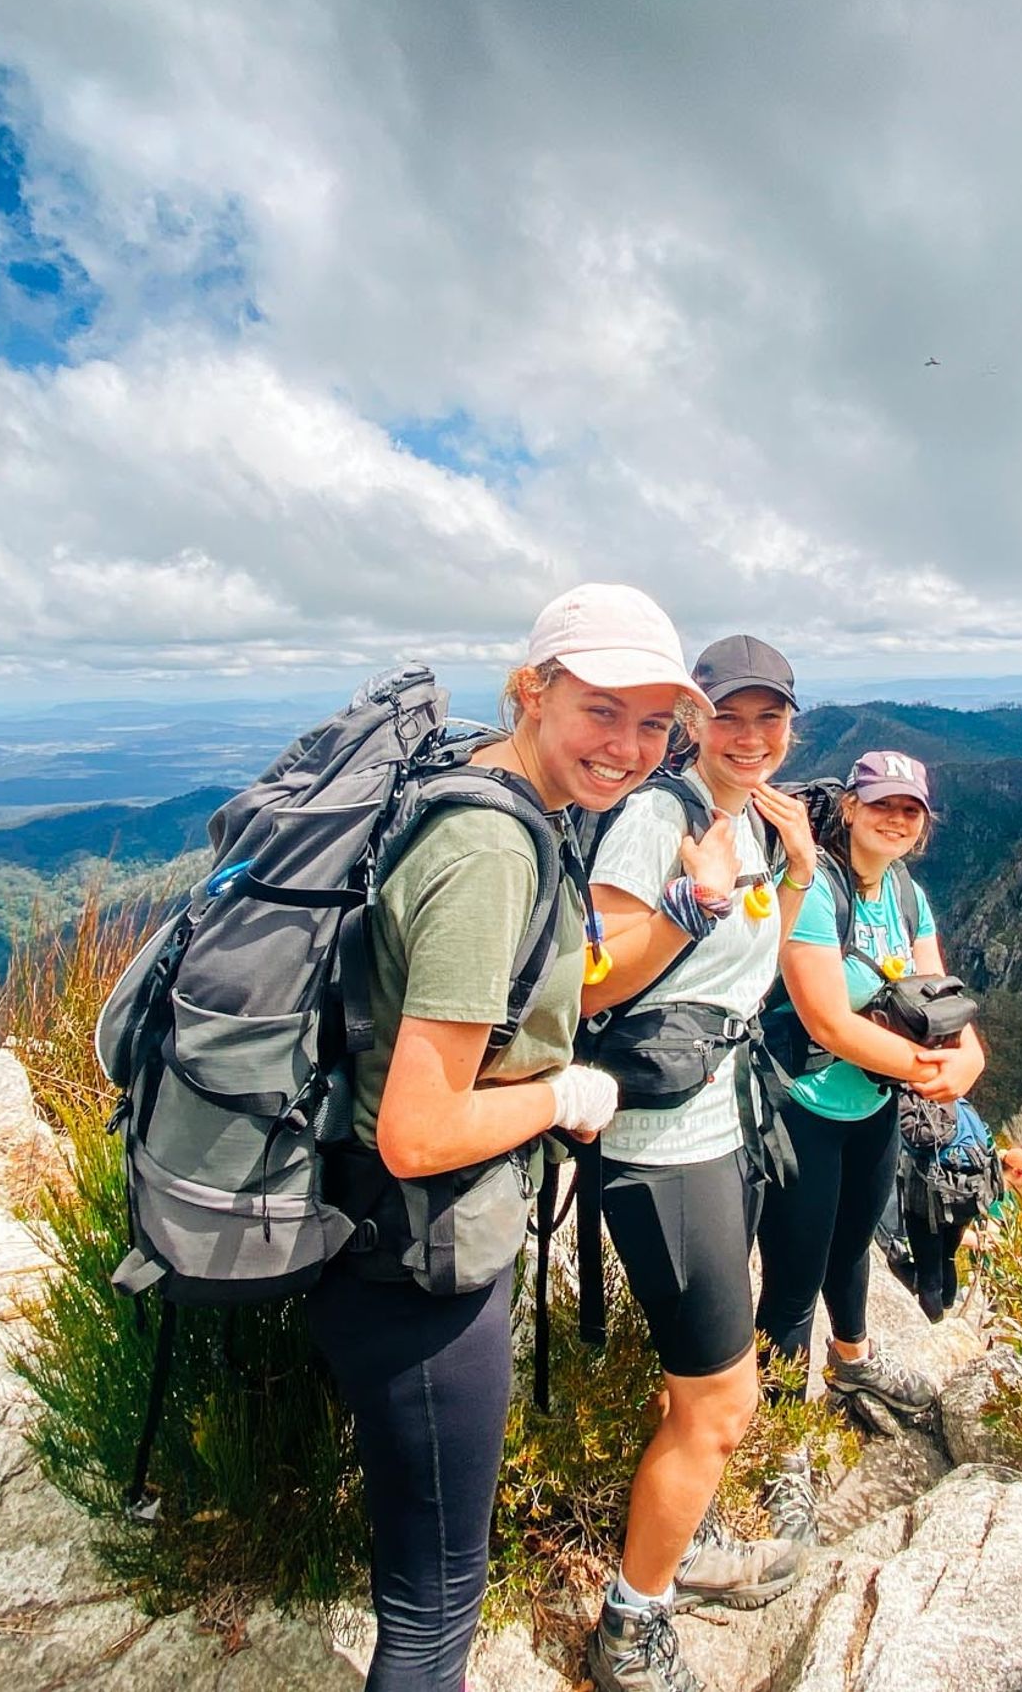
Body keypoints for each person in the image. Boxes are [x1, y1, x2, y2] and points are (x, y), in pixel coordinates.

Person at [309, 583, 706, 1692]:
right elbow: (420, 1130)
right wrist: (562, 1094)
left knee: (424, 1586)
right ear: (532, 691)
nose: (628, 747)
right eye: (600, 710)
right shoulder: (492, 850)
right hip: (413, 1266)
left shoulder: (501, 794)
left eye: (652, 723)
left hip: (387, 1242)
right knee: (434, 1616)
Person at [579, 635, 823, 1692]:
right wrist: (694, 902)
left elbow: (748, 966)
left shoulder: (752, 819)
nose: (751, 736)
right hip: (662, 1146)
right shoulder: (656, 818)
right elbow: (587, 982)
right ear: (694, 721)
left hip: (723, 1123)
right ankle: (630, 1627)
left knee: (698, 1385)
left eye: (771, 717)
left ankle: (687, 1536)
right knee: (721, 1405)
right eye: (730, 715)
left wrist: (796, 872)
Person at [755, 750, 986, 1419]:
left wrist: (970, 1057)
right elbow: (826, 1021)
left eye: (910, 810)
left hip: (874, 1104)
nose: (896, 818)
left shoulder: (907, 894)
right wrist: (932, 1071)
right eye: (883, 804)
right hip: (801, 1108)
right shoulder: (815, 891)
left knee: (853, 1244)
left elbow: (941, 998)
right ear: (851, 807)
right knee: (793, 1284)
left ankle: (852, 1362)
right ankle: (781, 1435)